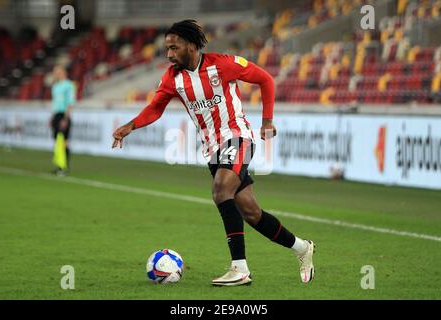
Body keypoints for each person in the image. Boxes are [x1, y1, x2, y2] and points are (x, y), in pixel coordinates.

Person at [112, 20, 315, 286]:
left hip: (238, 137)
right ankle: (302, 248)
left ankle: (239, 268)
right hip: (213, 148)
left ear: (192, 46)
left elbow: (265, 79)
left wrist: (266, 121)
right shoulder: (173, 78)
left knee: (221, 190)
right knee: (252, 213)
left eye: (174, 48)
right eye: (167, 49)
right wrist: (130, 126)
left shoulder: (225, 64)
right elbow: (155, 107)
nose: (170, 54)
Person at [50, 65, 76, 175]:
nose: (56, 74)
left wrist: (66, 118)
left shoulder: (69, 85)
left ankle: (65, 167)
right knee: (57, 142)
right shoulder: (55, 86)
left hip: (63, 115)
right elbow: (55, 103)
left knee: (64, 141)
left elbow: (70, 103)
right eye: (55, 72)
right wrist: (52, 117)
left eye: (58, 71)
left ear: (63, 72)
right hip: (56, 115)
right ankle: (59, 165)